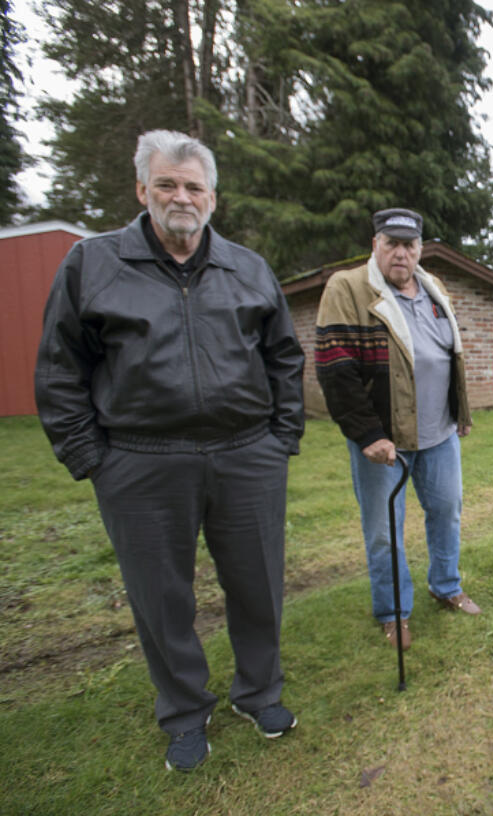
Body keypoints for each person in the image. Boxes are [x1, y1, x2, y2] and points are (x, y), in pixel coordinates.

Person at [35, 130, 305, 772]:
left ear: (212, 198)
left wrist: (281, 439)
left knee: (258, 582)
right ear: (142, 191)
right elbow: (59, 367)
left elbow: (283, 359)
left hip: (246, 454)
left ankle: (258, 691)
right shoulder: (93, 264)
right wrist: (92, 458)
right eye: (167, 185)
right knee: (162, 595)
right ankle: (185, 711)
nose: (180, 197)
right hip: (140, 459)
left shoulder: (247, 267)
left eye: (193, 187)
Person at [315, 208, 480, 653]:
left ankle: (445, 586)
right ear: (376, 245)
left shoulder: (433, 288)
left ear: (420, 249)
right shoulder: (348, 289)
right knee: (385, 529)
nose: (401, 253)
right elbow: (336, 369)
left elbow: (450, 356)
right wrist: (367, 434)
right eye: (392, 243)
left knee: (447, 511)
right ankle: (392, 611)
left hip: (439, 434)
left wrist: (459, 411)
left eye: (409, 245)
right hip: (384, 440)